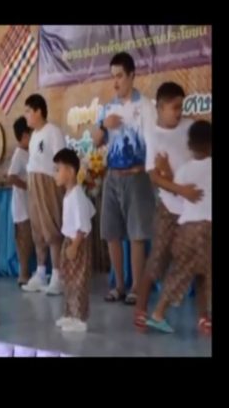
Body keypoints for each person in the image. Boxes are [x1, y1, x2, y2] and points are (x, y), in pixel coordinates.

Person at [134, 82, 203, 329]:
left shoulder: (190, 127)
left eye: (181, 107)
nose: (179, 112)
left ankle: (204, 316)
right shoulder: (154, 135)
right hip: (169, 209)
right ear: (160, 108)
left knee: (199, 263)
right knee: (157, 261)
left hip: (194, 211)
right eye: (174, 107)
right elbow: (154, 176)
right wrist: (181, 190)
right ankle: (141, 310)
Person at [92, 52, 157, 306]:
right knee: (112, 233)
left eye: (120, 76)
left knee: (137, 234)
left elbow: (152, 144)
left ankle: (137, 288)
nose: (116, 82)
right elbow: (96, 141)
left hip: (137, 177)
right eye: (113, 77)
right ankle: (118, 285)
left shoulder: (145, 107)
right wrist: (104, 126)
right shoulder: (109, 108)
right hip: (112, 177)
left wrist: (149, 173)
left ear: (131, 75)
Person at [146, 121, 212, 334]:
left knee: (184, 274)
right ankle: (199, 316)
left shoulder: (184, 170)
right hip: (206, 231)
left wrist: (165, 169)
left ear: (189, 145)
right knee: (204, 275)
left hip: (184, 232)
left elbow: (176, 190)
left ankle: (196, 317)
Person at [21, 94, 66, 295]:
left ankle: (58, 275)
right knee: (38, 230)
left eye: (28, 111)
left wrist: (59, 184)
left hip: (48, 183)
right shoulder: (33, 137)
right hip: (33, 183)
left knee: (51, 228)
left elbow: (61, 160)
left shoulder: (53, 131)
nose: (26, 116)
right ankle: (40, 273)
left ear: (39, 111)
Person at [52, 149, 96, 332]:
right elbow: (91, 210)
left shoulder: (77, 195)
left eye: (58, 169)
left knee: (78, 282)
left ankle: (79, 319)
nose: (55, 174)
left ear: (70, 172)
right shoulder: (70, 194)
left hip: (77, 244)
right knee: (69, 280)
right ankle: (70, 314)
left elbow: (84, 224)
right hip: (69, 241)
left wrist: (76, 245)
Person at [8, 116, 33, 286]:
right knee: (24, 238)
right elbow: (11, 177)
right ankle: (22, 273)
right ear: (24, 135)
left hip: (28, 203)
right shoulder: (19, 154)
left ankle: (26, 272)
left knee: (29, 238)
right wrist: (27, 187)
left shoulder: (28, 152)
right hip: (21, 204)